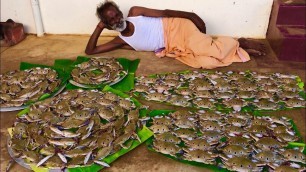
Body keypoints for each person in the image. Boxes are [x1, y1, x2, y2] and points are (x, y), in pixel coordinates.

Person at [85, 0, 266, 69]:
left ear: (120, 12)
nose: (117, 19)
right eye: (111, 20)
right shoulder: (121, 41)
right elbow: (90, 51)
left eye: (116, 14)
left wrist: (191, 16)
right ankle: (236, 48)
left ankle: (238, 42)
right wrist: (99, 27)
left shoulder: (135, 12)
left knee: (214, 51)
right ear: (108, 25)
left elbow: (165, 13)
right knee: (207, 63)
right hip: (175, 46)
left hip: (178, 28)